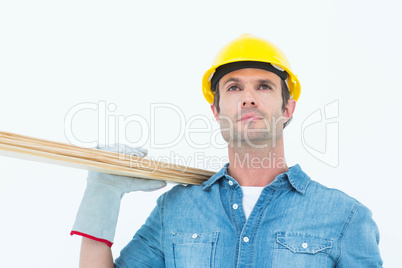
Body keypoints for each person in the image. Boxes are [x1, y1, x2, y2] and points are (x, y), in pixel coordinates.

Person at [71, 34, 383, 267]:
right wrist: (102, 196)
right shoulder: (176, 210)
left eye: (263, 86)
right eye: (234, 87)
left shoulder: (345, 218)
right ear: (216, 111)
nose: (248, 98)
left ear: (288, 108)